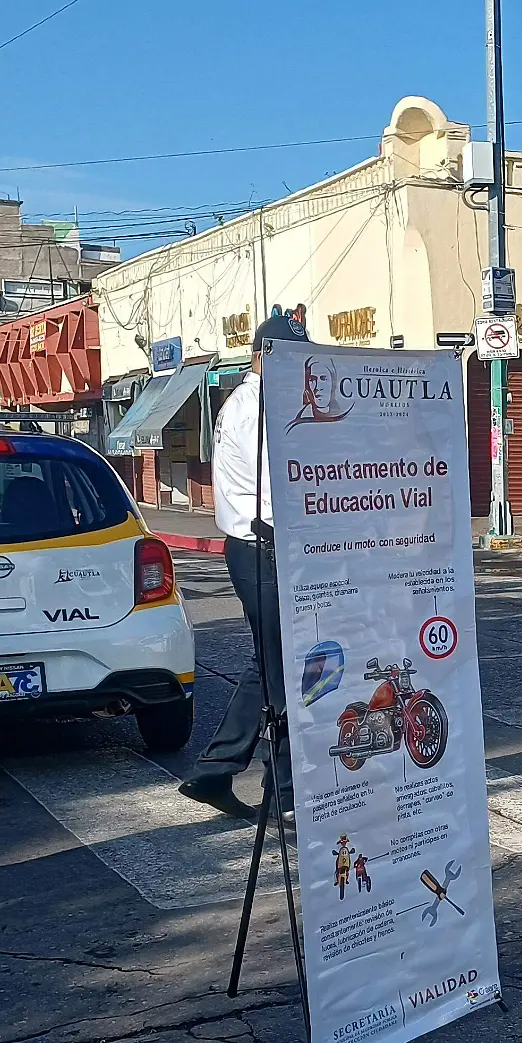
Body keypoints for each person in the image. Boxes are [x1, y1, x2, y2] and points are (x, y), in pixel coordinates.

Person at [178, 309, 309, 822]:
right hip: (263, 548)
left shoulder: (264, 401)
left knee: (267, 661)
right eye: (291, 356)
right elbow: (281, 489)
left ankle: (216, 768)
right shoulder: (254, 408)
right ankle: (288, 796)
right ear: (264, 356)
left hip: (262, 548)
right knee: (284, 670)